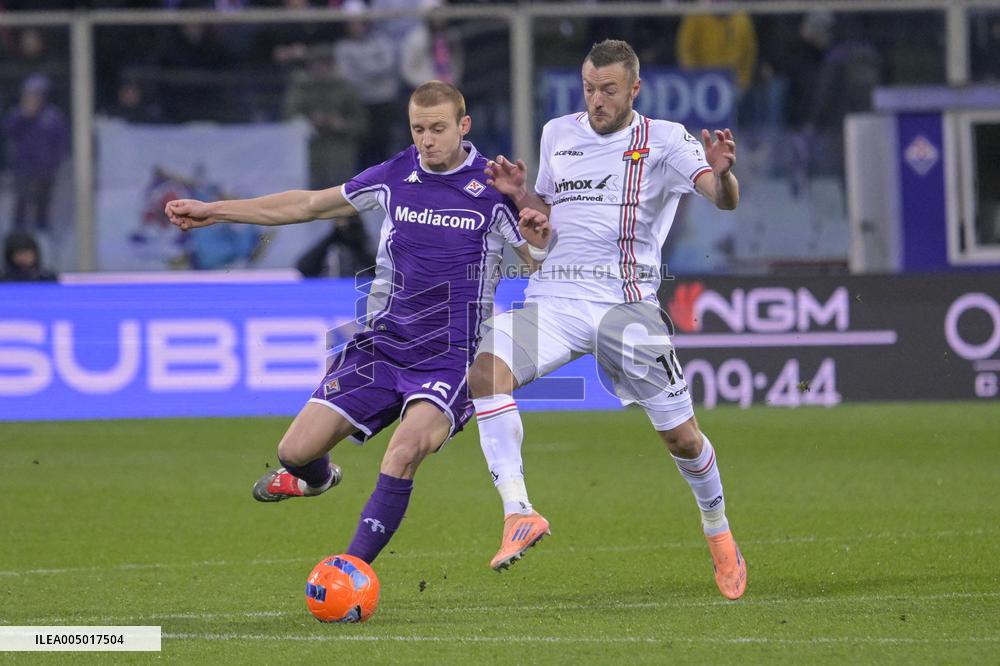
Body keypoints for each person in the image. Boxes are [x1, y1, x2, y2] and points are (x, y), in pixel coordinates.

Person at [165, 80, 550, 566]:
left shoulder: (492, 191)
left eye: (437, 128)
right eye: (418, 129)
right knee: (294, 450)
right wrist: (215, 212)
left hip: (448, 359)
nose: (426, 140)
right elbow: (309, 205)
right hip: (382, 347)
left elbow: (539, 264)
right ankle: (318, 478)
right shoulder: (396, 174)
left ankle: (352, 569)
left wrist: (538, 235)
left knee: (403, 452)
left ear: (463, 126)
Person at [469, 39, 747, 600]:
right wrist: (523, 198)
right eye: (590, 88)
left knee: (682, 440)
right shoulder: (557, 133)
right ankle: (519, 511)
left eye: (609, 90)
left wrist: (723, 176)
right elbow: (548, 213)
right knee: (484, 372)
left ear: (634, 90)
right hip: (555, 299)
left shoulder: (666, 140)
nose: (596, 100)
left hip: (627, 308)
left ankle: (717, 530)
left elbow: (722, 198)